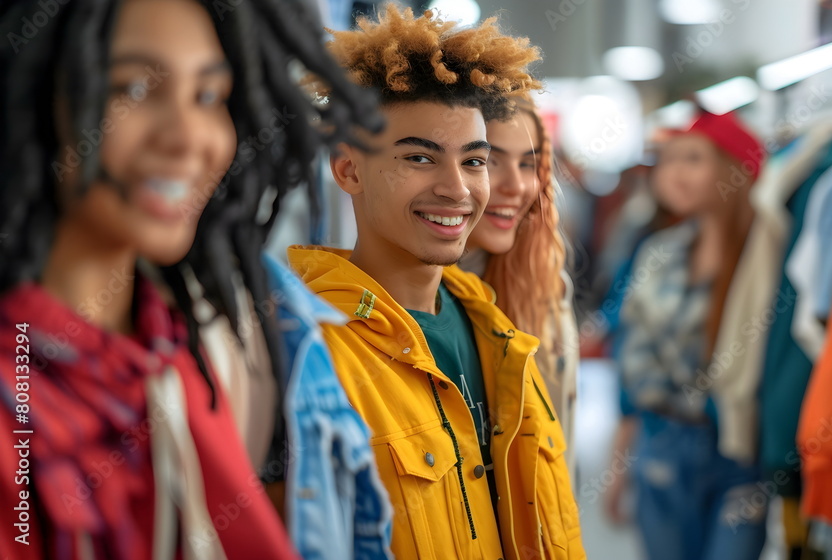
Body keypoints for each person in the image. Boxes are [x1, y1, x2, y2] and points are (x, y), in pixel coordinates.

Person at [0, 0, 378, 557]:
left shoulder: (187, 360)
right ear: (35, 95)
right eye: (132, 89)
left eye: (209, 96)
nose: (187, 138)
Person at [287, 6, 586, 559]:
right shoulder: (313, 350)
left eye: (474, 162)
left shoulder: (498, 335)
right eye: (420, 158)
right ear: (349, 170)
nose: (457, 189)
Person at [602, 111, 767, 560]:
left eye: (693, 159)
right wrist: (618, 466)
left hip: (739, 454)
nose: (674, 172)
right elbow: (631, 367)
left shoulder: (768, 260)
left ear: (736, 168)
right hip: (662, 447)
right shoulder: (656, 254)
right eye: (668, 160)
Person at [461, 98, 579, 463]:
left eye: (529, 163)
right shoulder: (412, 295)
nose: (516, 186)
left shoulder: (544, 284)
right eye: (488, 161)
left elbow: (560, 445)